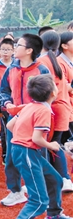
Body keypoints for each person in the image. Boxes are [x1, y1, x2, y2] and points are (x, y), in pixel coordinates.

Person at [7, 74, 73, 219]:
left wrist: (23, 136)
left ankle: (54, 215)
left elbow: (9, 126)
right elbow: (37, 139)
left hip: (25, 151)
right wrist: (52, 146)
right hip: (27, 152)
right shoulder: (44, 111)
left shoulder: (29, 106)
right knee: (39, 201)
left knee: (55, 180)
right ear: (53, 93)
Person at [0, 33, 50, 207]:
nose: (14, 47)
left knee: (37, 156)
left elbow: (49, 95)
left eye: (18, 45)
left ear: (29, 50)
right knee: (12, 156)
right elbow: (3, 90)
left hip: (35, 120)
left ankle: (40, 191)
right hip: (15, 118)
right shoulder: (12, 68)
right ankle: (15, 191)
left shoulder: (42, 70)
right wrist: (7, 103)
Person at [38, 31, 73, 192]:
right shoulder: (56, 61)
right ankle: (62, 178)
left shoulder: (44, 62)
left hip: (52, 108)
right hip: (62, 107)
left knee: (51, 144)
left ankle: (62, 178)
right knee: (55, 143)